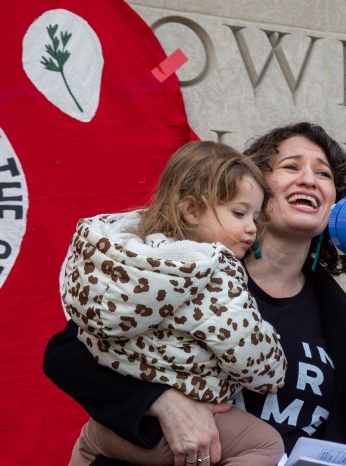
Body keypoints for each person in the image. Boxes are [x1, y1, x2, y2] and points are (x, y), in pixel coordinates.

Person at [44, 122, 346, 465]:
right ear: (250, 184)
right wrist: (160, 400)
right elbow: (67, 354)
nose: (309, 180)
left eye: (323, 173)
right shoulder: (192, 271)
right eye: (291, 166)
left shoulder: (342, 312)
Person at [62, 140, 287, 465]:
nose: (252, 227)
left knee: (85, 445)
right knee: (265, 446)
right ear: (191, 210)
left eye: (255, 215)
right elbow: (243, 344)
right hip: (180, 431)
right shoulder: (211, 271)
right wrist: (273, 372)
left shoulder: (125, 261)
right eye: (240, 213)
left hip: (113, 424)